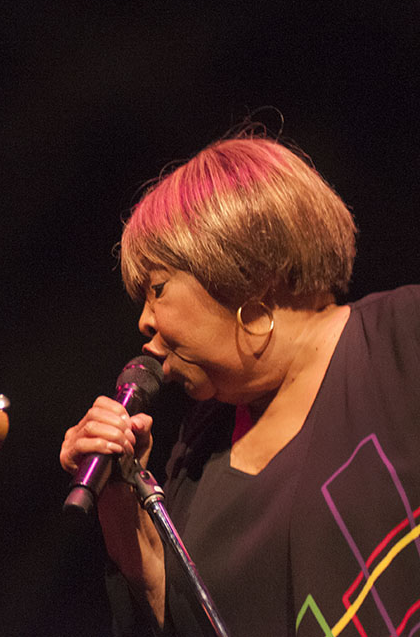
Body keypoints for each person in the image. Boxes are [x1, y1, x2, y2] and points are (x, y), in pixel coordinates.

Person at [60, 135, 420, 637]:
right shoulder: (197, 453)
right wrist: (126, 516)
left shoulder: (404, 339)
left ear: (240, 267)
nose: (144, 320)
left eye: (158, 288)